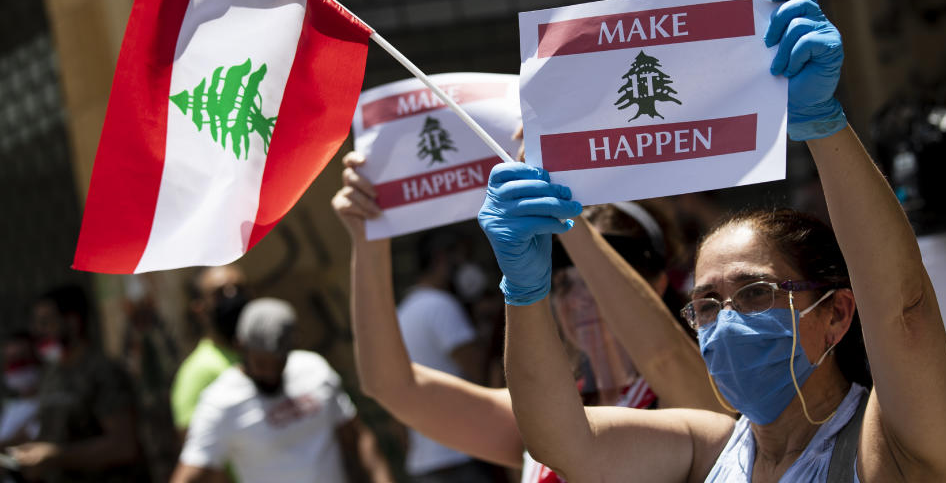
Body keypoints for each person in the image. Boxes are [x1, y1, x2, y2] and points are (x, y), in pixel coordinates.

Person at [480, 0, 946, 482]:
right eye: (707, 305)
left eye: (755, 293)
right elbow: (560, 440)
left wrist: (824, 125)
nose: (727, 323)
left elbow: (904, 313)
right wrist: (523, 290)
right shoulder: (707, 449)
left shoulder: (889, 447)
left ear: (836, 313)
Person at [332, 154, 725, 482]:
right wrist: (370, 240)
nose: (581, 299)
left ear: (656, 283)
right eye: (564, 283)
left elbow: (662, 357)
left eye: (595, 279)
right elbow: (394, 387)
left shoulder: (705, 392)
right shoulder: (546, 409)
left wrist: (564, 214)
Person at [171, 298, 394, 483]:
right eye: (261, 363)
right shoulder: (221, 401)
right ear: (240, 347)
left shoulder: (314, 370)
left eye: (278, 363)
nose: (270, 373)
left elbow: (357, 438)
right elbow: (191, 471)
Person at [8, 285, 146, 482]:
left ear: (72, 322)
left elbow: (123, 446)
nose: (38, 331)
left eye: (46, 322)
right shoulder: (51, 373)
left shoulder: (103, 372)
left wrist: (57, 457)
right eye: (36, 323)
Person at [395, 228, 490, 482]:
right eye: (462, 258)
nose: (467, 268)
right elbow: (480, 370)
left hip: (426, 461)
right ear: (441, 259)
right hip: (460, 457)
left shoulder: (403, 311)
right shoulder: (441, 306)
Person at [170, 264, 250, 440]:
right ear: (200, 308)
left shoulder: (259, 356)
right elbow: (196, 450)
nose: (233, 297)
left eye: (239, 289)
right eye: (220, 293)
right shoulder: (198, 371)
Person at [0, 332, 42, 449]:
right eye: (11, 361)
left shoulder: (46, 404)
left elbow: (27, 435)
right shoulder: (11, 407)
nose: (16, 367)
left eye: (21, 359)